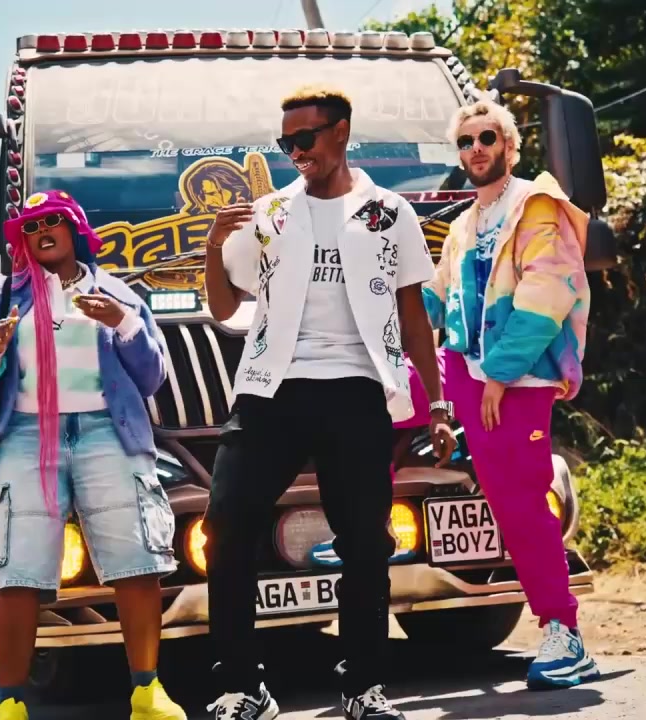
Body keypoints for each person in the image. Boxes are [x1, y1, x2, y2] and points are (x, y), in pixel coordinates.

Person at [201, 85, 456, 720]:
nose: (294, 152)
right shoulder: (270, 214)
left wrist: (438, 404)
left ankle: (364, 689)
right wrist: (213, 247)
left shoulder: (388, 213)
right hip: (271, 390)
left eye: (304, 139)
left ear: (341, 133)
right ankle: (243, 687)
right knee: (225, 527)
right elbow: (225, 308)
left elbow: (413, 313)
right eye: (284, 142)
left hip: (357, 388)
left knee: (366, 542)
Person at [0, 189, 185, 720]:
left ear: (75, 227)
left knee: (136, 559)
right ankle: (10, 704)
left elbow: (152, 377)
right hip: (26, 435)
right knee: (16, 569)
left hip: (108, 431)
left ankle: (147, 693)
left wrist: (123, 324)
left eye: (53, 221)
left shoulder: (116, 292)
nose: (42, 232)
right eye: (31, 226)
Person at [423, 98, 599, 690]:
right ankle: (357, 538)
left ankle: (564, 631)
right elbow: (438, 299)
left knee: (522, 501)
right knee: (502, 502)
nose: (476, 148)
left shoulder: (535, 205)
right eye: (466, 141)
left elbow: (549, 291)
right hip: (467, 377)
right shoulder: (462, 225)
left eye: (487, 138)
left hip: (516, 381)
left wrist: (498, 374)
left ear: (510, 146)